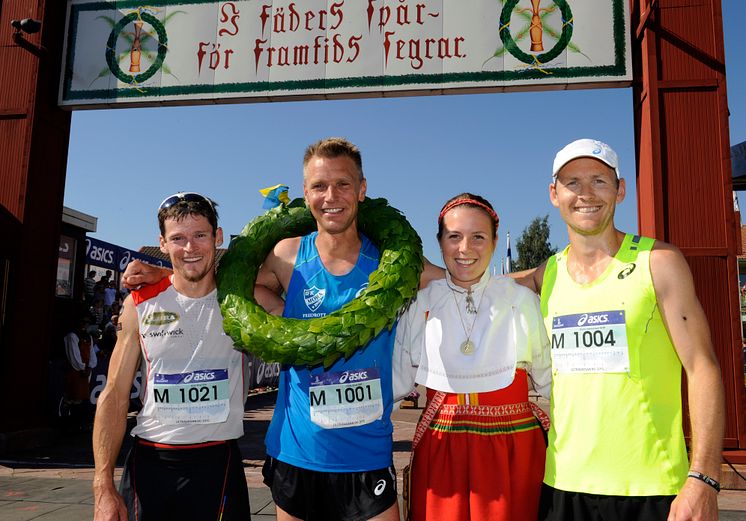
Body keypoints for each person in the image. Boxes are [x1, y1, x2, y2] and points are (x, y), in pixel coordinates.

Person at [516, 138, 725, 521]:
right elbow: (478, 284)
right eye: (572, 183)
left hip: (651, 490)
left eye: (599, 180)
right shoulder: (549, 273)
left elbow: (703, 367)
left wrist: (704, 478)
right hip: (564, 486)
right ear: (553, 194)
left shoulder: (658, 261)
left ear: (620, 190)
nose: (585, 194)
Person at [92, 192, 252, 521]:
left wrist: (162, 272)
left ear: (218, 237)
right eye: (178, 238)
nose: (190, 248)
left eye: (200, 235)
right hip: (150, 465)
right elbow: (115, 393)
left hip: (217, 464)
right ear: (162, 243)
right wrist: (102, 487)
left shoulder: (242, 298)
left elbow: (281, 275)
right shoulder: (139, 303)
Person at [393, 193, 551, 521]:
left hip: (512, 451)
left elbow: (551, 382)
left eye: (478, 237)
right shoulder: (421, 303)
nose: (465, 248)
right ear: (440, 243)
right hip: (442, 449)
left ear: (494, 241)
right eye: (454, 237)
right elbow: (395, 385)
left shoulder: (521, 301)